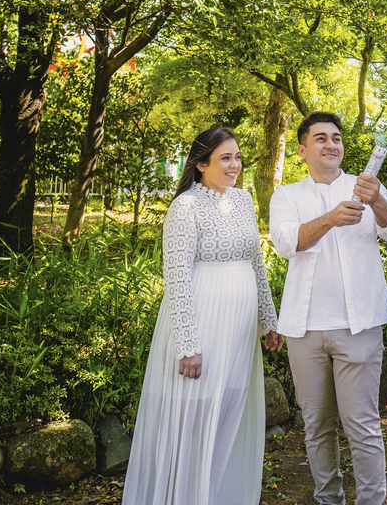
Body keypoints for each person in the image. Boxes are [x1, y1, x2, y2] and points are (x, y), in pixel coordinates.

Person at [122, 127, 283, 505]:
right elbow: (176, 278)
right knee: (195, 416)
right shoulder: (186, 207)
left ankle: (217, 495)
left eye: (238, 157)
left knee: (229, 408)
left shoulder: (243, 200)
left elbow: (256, 264)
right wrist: (187, 345)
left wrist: (269, 320)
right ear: (201, 164)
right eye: (226, 157)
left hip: (239, 330)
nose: (235, 165)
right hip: (202, 325)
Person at [269, 112, 387, 505]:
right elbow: (286, 242)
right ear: (302, 150)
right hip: (304, 329)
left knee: (362, 425)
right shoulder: (287, 195)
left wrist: (377, 199)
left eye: (336, 137)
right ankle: (328, 499)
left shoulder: (364, 186)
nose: (331, 144)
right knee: (316, 425)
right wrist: (330, 219)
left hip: (359, 325)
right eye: (320, 138)